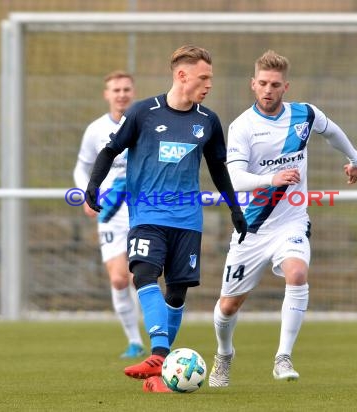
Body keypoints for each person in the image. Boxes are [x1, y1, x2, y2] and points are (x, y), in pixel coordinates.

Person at [85, 45, 247, 393]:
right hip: (148, 214)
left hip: (188, 220)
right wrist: (93, 186)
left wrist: (235, 207)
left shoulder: (209, 120)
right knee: (143, 272)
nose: (208, 85)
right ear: (181, 75)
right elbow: (109, 150)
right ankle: (159, 355)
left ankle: (161, 374)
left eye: (211, 79)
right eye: (203, 78)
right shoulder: (143, 112)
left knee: (176, 292)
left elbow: (217, 168)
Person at [208, 50, 357, 387]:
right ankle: (224, 355)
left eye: (275, 84)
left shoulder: (304, 115)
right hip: (252, 227)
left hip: (291, 222)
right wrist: (270, 180)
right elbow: (235, 179)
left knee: (297, 272)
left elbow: (333, 131)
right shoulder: (242, 127)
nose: (268, 89)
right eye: (262, 83)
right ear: (253, 84)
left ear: (285, 86)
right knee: (228, 306)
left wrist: (354, 157)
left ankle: (283, 357)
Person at [73, 70, 145, 359]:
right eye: (116, 90)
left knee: (143, 274)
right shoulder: (95, 130)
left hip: (143, 208)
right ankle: (134, 341)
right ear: (107, 94)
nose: (121, 94)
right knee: (118, 280)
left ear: (133, 92)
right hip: (111, 211)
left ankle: (158, 335)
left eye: (126, 89)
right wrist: (86, 195)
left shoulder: (145, 124)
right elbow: (81, 168)